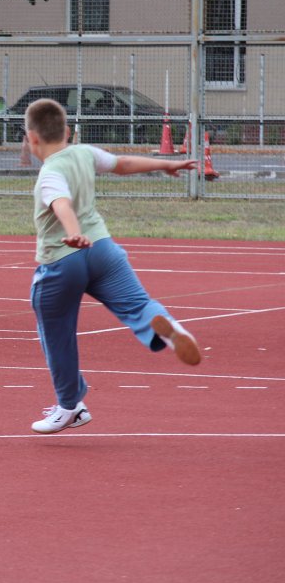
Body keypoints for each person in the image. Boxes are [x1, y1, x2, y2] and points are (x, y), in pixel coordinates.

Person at [23, 98, 201, 434]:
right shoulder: (85, 153)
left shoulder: (49, 172)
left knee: (55, 331)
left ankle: (70, 405)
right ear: (69, 131)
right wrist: (165, 165)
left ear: (32, 138)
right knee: (139, 304)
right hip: (104, 250)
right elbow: (121, 163)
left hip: (65, 260)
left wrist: (74, 234)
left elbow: (61, 203)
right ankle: (167, 326)